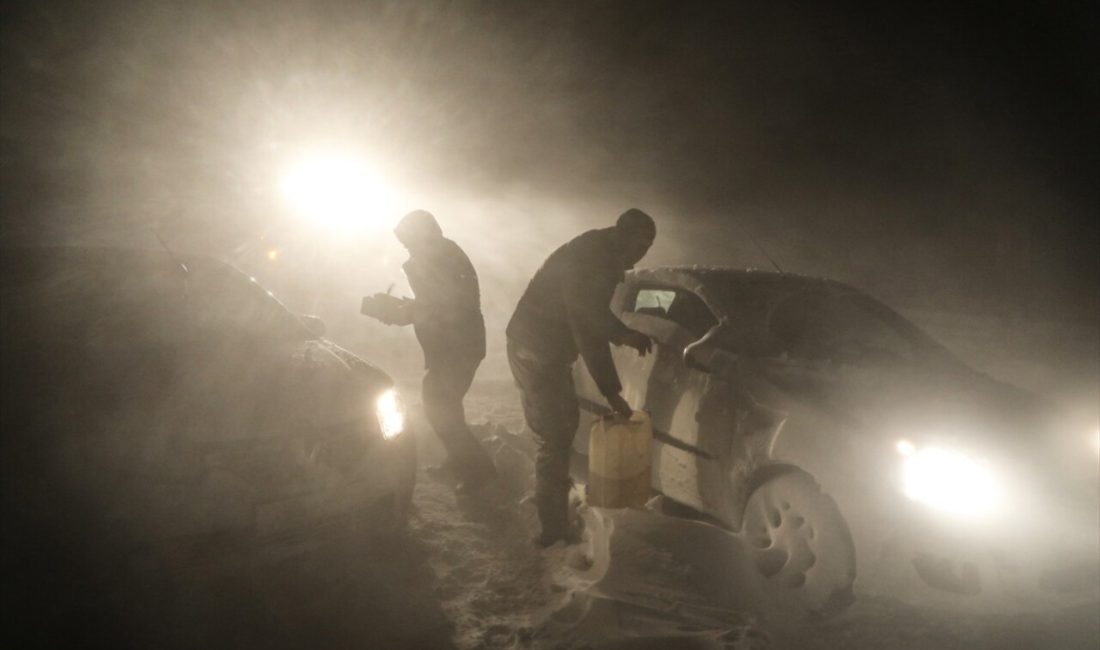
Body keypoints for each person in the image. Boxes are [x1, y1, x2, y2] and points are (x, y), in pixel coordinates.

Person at [506, 208, 656, 546]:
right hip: (535, 350)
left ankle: (555, 504)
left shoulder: (601, 252)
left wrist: (623, 333)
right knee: (555, 435)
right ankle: (553, 531)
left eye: (648, 246)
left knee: (559, 429)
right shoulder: (592, 259)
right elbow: (586, 327)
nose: (642, 252)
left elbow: (591, 314)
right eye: (639, 243)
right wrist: (613, 393)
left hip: (542, 347)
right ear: (621, 233)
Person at [374, 210, 495, 493]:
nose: (406, 246)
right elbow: (435, 302)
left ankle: (479, 473)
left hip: (457, 345)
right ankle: (461, 462)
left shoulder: (438, 256)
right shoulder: (440, 252)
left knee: (440, 408)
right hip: (454, 345)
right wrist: (404, 308)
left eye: (408, 240)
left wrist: (399, 312)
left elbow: (447, 303)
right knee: (446, 407)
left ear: (420, 234)